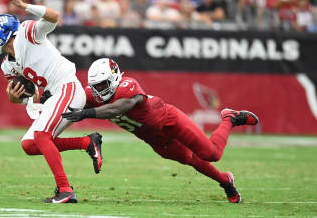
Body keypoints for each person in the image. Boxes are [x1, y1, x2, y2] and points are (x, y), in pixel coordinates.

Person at [62, 58, 260, 204]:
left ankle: (229, 118)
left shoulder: (128, 86)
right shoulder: (92, 95)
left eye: (103, 85)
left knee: (211, 154)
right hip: (154, 139)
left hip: (168, 120)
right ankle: (226, 182)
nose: (99, 91)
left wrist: (86, 113)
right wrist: (49, 99)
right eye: (96, 87)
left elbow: (117, 108)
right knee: (191, 159)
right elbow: (70, 97)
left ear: (114, 77)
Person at [0, 0, 103, 204]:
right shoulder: (7, 64)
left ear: (4, 33)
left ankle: (65, 190)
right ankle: (87, 142)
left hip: (67, 86)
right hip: (54, 94)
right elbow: (31, 94)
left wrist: (23, 5)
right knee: (29, 145)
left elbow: (54, 17)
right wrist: (15, 98)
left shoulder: (27, 32)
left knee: (41, 135)